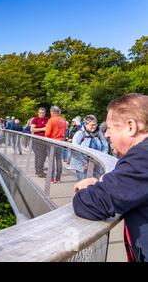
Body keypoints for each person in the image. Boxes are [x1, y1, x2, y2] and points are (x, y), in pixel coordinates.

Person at [73, 93, 148, 262]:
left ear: (131, 127)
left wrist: (87, 188)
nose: (106, 134)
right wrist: (102, 182)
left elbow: (91, 203)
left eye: (109, 128)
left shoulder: (142, 157)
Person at [70, 115, 109, 181]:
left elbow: (105, 146)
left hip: (96, 163)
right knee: (83, 184)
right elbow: (75, 149)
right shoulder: (79, 134)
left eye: (95, 124)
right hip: (82, 164)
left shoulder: (98, 133)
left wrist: (101, 157)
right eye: (92, 125)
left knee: (95, 182)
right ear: (85, 124)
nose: (94, 126)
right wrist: (84, 163)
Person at [45, 106, 67, 183]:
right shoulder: (63, 120)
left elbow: (47, 133)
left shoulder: (51, 120)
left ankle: (51, 179)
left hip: (52, 142)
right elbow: (64, 133)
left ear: (52, 112)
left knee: (51, 161)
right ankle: (58, 178)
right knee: (59, 160)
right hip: (60, 142)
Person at [31, 107, 49, 178]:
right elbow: (32, 129)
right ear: (38, 113)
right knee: (40, 156)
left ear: (45, 113)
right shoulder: (35, 119)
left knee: (42, 156)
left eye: (43, 113)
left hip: (45, 140)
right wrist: (42, 129)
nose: (41, 114)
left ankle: (38, 170)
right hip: (37, 140)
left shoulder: (47, 119)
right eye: (40, 113)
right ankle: (40, 172)